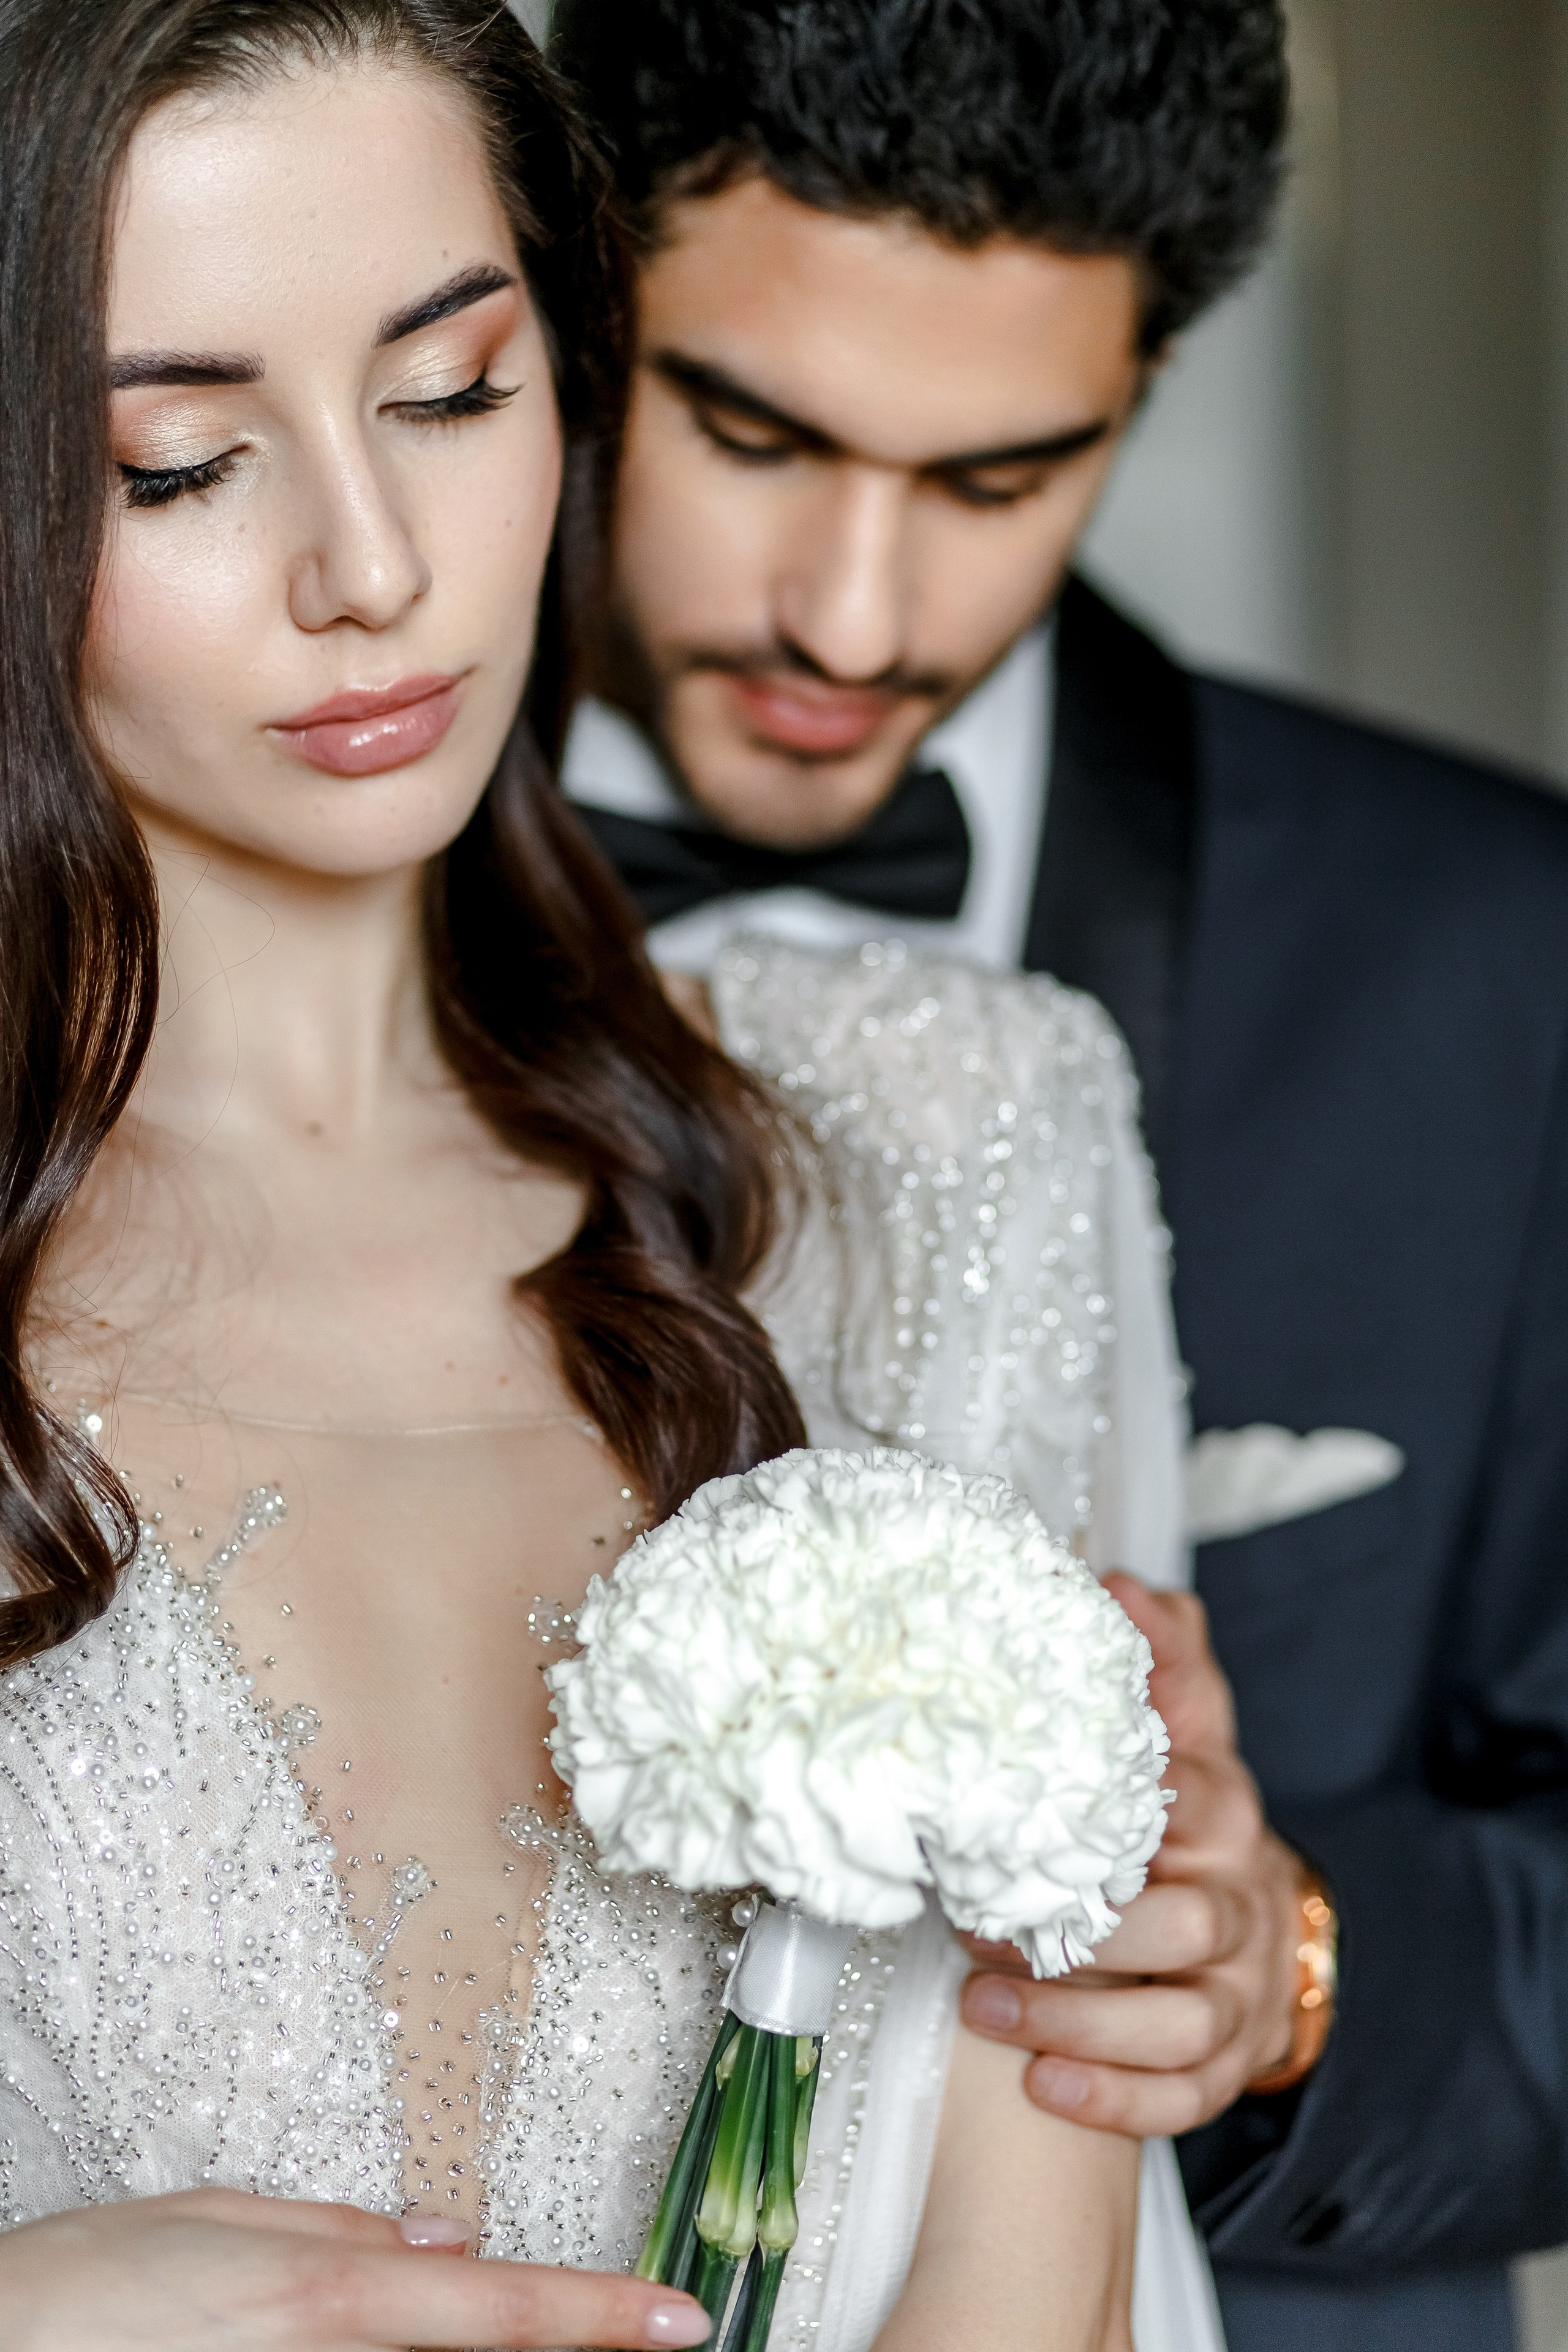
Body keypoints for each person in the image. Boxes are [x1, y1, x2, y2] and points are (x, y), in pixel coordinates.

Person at [0, 3, 1212, 2347]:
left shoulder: (940, 1147)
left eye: (454, 394)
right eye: (178, 464)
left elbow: (1042, 2220)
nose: (373, 567)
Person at [549, 4, 1568, 2350]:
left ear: (1147, 385)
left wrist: (1297, 1969)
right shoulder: (194, 915)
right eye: (751, 435)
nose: (851, 615)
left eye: (1000, 478)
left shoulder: (1492, 973)